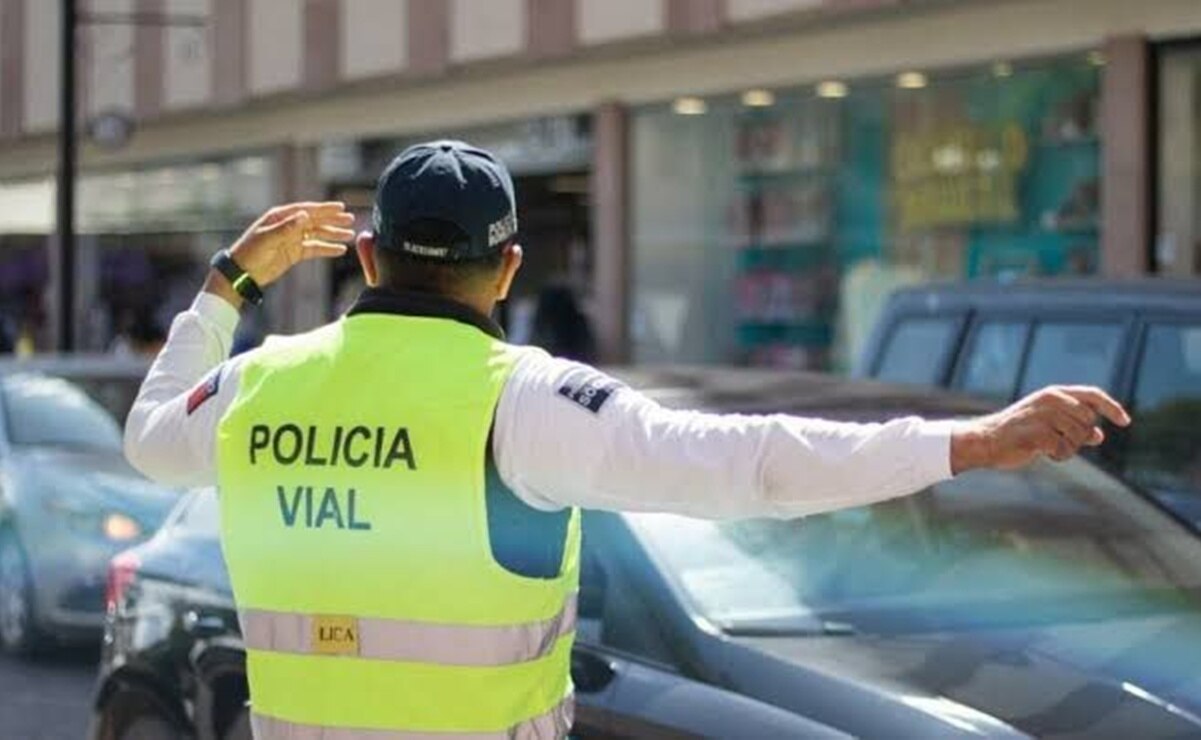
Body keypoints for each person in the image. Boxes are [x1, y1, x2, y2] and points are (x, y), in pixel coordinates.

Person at [124, 140, 1131, 740]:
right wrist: (965, 442)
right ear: (509, 267)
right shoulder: (524, 399)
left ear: (371, 257)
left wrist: (227, 287)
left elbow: (148, 438)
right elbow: (751, 464)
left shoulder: (256, 384)